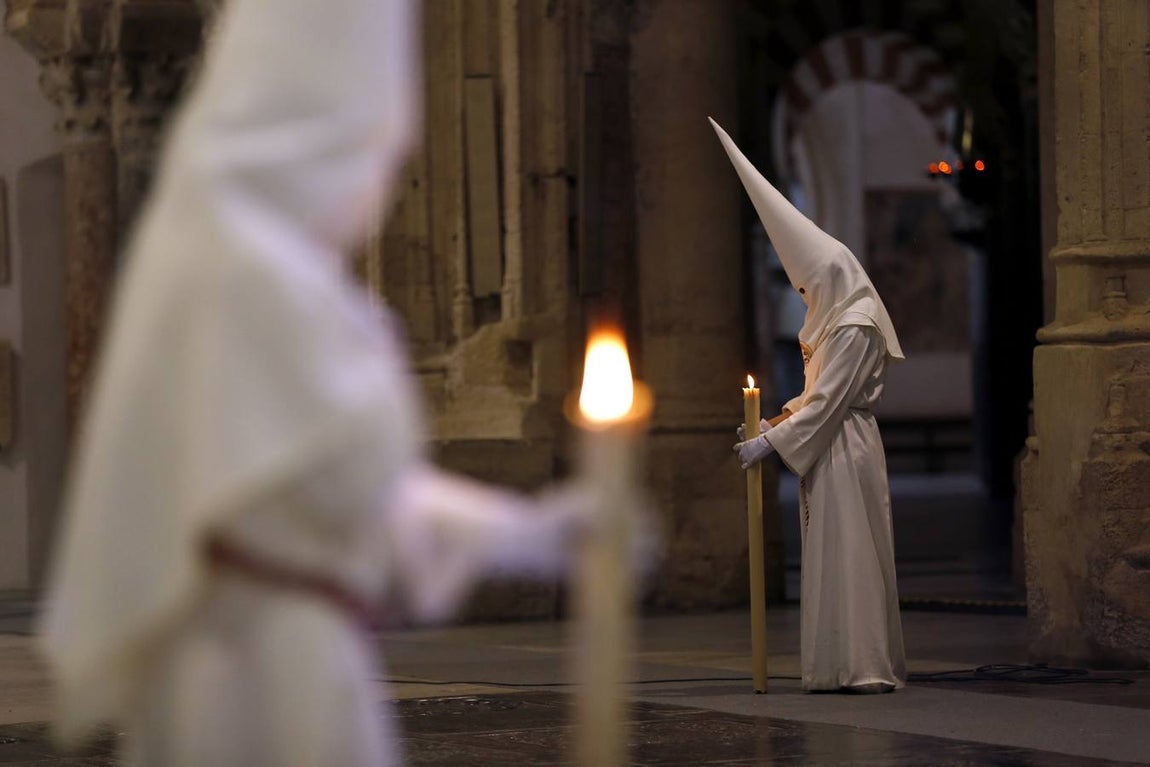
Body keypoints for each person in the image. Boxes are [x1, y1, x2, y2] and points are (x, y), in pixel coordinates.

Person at [38, 1, 604, 765]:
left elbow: (336, 497)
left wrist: (527, 534)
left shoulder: (261, 262)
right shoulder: (244, 268)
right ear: (310, 130)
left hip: (297, 656)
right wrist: (523, 532)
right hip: (258, 678)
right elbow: (347, 498)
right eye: (371, 147)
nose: (386, 180)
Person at [710, 118, 907, 694]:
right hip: (830, 446)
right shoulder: (835, 320)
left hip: (845, 446)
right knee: (831, 552)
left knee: (852, 552)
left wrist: (772, 439)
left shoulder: (854, 323)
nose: (804, 297)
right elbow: (818, 398)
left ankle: (863, 664)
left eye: (806, 288)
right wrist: (776, 420)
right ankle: (836, 664)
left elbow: (829, 402)